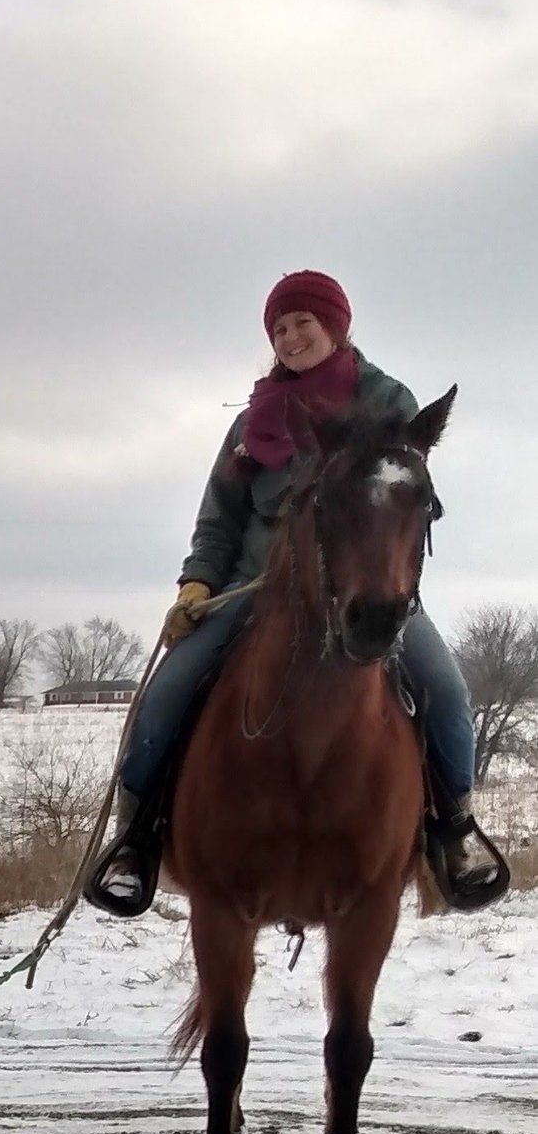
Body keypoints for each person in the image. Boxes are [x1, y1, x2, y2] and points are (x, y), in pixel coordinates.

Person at [87, 270, 503, 916]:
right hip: (249, 590)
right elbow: (220, 517)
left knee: (447, 692)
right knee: (164, 697)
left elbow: (392, 497)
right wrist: (198, 582)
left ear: (336, 325)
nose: (289, 337)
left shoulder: (384, 400)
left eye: (302, 322)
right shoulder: (252, 423)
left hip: (360, 589)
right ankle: (135, 844)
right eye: (278, 329)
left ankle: (455, 832)